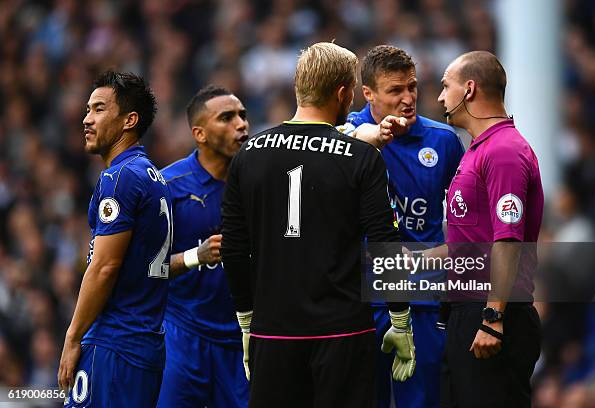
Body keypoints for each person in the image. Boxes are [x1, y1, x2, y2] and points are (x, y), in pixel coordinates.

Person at [221, 42, 414, 408]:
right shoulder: (361, 157)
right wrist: (400, 319)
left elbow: (233, 248)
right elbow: (386, 244)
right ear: (343, 93)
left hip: (273, 333)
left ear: (299, 88)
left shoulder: (248, 155)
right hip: (343, 333)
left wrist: (247, 322)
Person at [340, 45, 465, 408]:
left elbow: (465, 217)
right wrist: (374, 137)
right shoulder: (349, 132)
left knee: (422, 400)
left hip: (422, 296)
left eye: (412, 87)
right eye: (395, 91)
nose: (408, 98)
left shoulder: (442, 141)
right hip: (362, 298)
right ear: (368, 94)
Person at [433, 51, 543, 407]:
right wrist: (405, 261)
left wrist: (493, 317)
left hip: (492, 314)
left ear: (469, 89)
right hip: (467, 312)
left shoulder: (504, 151)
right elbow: (468, 244)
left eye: (444, 86)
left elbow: (508, 240)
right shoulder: (478, 149)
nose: (439, 97)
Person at [58, 71, 172, 407]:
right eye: (87, 110)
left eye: (98, 109)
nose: (86, 119)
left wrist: (72, 336)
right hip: (144, 343)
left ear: (129, 120)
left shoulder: (119, 178)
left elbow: (105, 266)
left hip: (114, 343)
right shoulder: (153, 176)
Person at [156, 85, 250, 408]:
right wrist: (197, 255)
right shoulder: (169, 188)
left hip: (241, 340)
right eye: (227, 118)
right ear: (200, 133)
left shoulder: (258, 184)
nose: (241, 124)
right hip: (182, 335)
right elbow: (143, 269)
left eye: (242, 115)